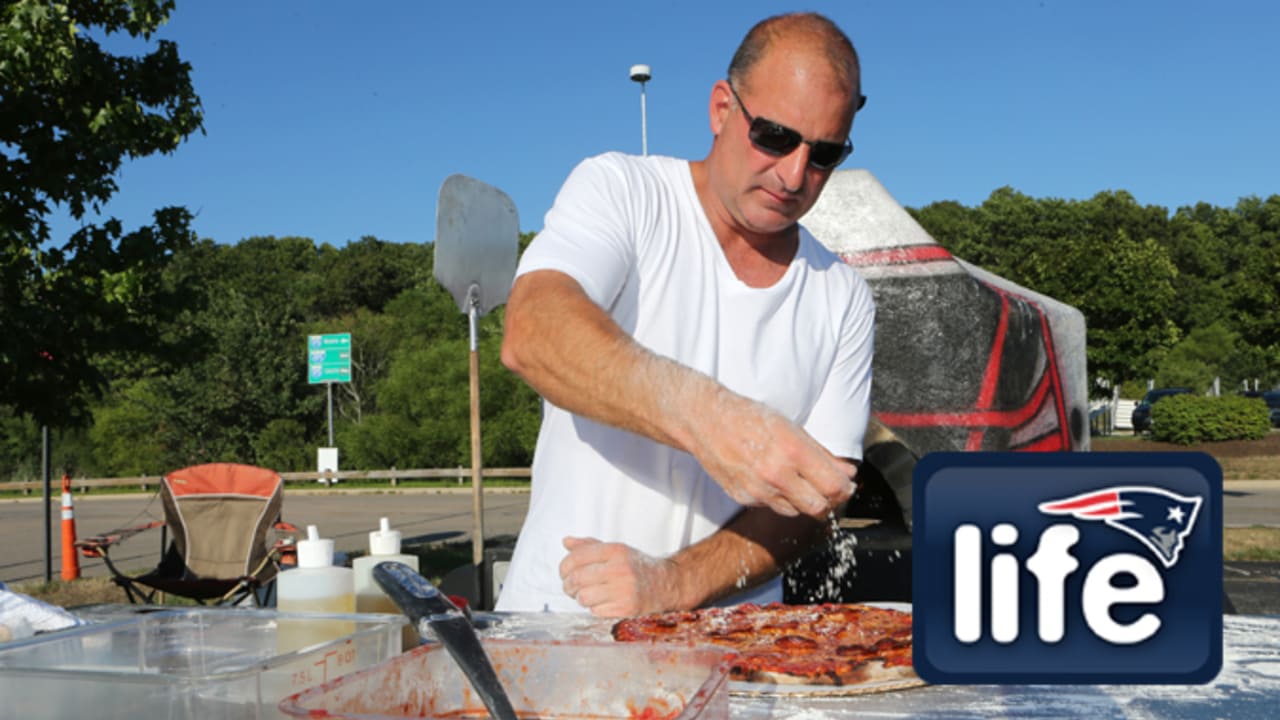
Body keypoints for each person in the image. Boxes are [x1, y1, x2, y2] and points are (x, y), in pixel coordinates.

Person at [495, 11, 875, 617]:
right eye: (775, 137)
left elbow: (816, 499)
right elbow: (534, 331)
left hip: (742, 649)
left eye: (825, 153)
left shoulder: (843, 295)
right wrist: (712, 419)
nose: (795, 174)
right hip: (564, 626)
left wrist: (673, 584)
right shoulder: (623, 190)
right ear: (723, 109)